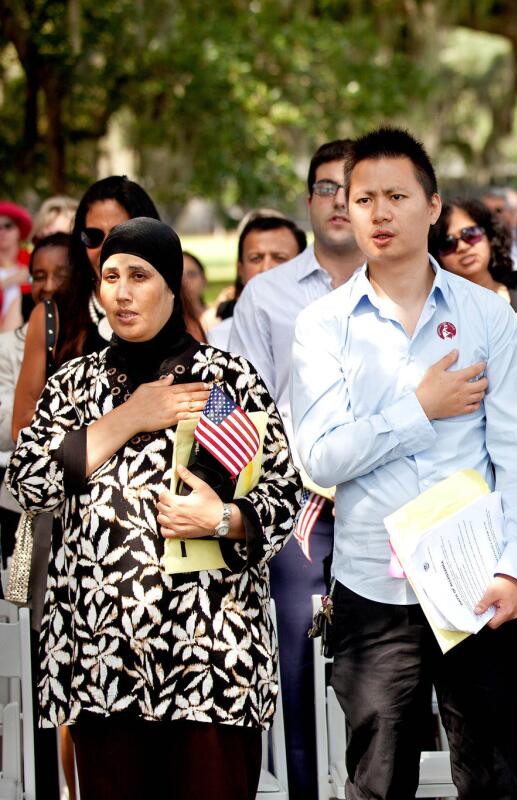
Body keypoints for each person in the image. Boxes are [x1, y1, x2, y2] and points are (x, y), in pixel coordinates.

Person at [5, 217, 301, 799]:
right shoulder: (74, 385)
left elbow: (281, 492)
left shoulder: (222, 380)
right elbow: (28, 482)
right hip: (101, 655)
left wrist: (222, 518)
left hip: (211, 657)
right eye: (109, 276)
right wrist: (128, 418)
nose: (121, 291)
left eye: (138, 276)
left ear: (171, 286)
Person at [291, 127, 517, 799]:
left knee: (493, 778)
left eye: (396, 195)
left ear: (432, 206)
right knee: (377, 781)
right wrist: (418, 408)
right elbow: (319, 456)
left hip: (478, 584)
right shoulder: (323, 325)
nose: (378, 212)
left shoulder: (484, 314)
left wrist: (515, 569)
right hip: (373, 591)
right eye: (363, 197)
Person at [226, 140, 361, 800]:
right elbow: (241, 410)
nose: (339, 200)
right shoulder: (267, 296)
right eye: (325, 188)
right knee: (299, 672)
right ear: (308, 201)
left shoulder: (409, 282)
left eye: (353, 187)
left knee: (388, 679)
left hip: (392, 512)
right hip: (299, 516)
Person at [12, 176, 161, 439]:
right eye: (93, 236)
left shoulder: (174, 308)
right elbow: (21, 425)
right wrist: (125, 421)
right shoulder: (52, 317)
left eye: (119, 233)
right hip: (74, 472)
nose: (105, 248)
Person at [0, 233, 72, 557]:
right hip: (30, 501)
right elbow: (12, 426)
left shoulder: (98, 340)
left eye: (61, 274)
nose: (49, 286)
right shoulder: (9, 347)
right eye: (39, 276)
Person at [209, 217, 306, 349]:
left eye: (280, 258)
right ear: (240, 269)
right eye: (256, 258)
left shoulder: (322, 329)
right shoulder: (218, 339)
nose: (266, 268)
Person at [429, 197, 517, 316]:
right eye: (447, 243)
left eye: (470, 234)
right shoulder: (434, 313)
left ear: (490, 237)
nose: (462, 247)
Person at [0, 200, 32, 331]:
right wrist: (9, 281)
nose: (2, 232)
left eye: (8, 226)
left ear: (19, 230)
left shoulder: (33, 262)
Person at [483, 186, 517, 269]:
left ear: (510, 213)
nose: (492, 216)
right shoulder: (479, 245)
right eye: (487, 211)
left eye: (498, 211)